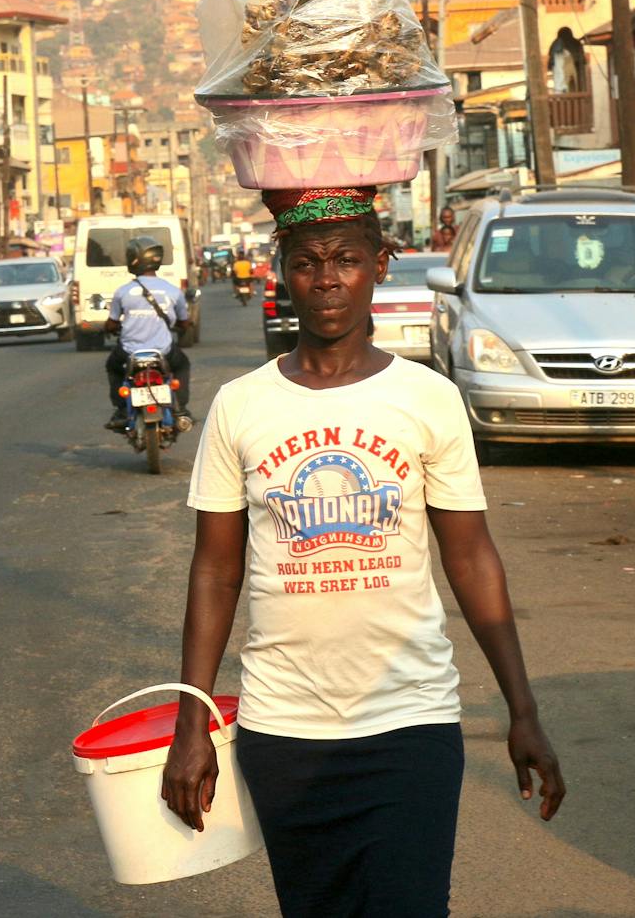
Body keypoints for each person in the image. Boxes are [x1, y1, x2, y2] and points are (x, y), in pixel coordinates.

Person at [161, 186, 563, 918]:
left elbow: (471, 558)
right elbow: (216, 571)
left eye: (347, 259)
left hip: (409, 721)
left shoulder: (428, 397)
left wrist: (522, 708)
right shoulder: (241, 405)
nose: (327, 278)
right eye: (308, 261)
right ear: (282, 271)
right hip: (285, 730)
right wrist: (192, 723)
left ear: (380, 264)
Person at [104, 235, 192, 432]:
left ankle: (120, 410)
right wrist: (184, 325)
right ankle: (181, 410)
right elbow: (184, 321)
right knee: (182, 365)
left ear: (134, 259)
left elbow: (112, 323)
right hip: (163, 352)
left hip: (129, 352)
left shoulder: (123, 292)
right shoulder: (173, 291)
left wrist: (110, 328)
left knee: (113, 366)